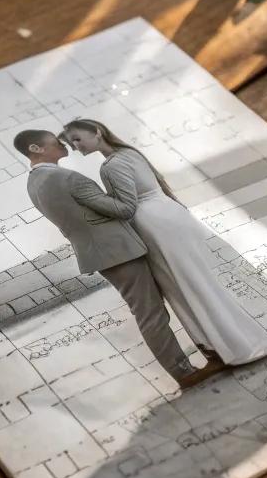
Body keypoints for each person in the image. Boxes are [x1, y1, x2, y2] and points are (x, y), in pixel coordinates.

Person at [60, 119, 267, 367]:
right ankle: (235, 341)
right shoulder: (130, 153)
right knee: (199, 283)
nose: (75, 146)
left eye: (77, 139)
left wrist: (89, 200)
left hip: (155, 226)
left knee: (185, 289)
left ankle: (227, 347)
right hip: (170, 215)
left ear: (97, 132)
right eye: (72, 143)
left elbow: (125, 208)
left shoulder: (111, 166)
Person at [13, 129, 214, 389]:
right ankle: (184, 374)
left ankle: (191, 365)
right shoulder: (67, 178)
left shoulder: (34, 183)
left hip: (103, 253)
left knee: (148, 311)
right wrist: (131, 190)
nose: (63, 143)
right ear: (36, 149)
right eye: (55, 141)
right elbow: (122, 209)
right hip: (118, 252)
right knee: (150, 314)